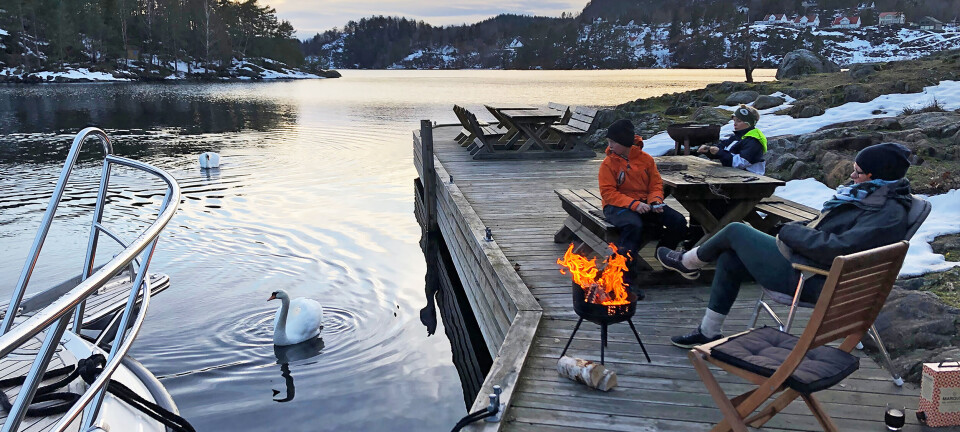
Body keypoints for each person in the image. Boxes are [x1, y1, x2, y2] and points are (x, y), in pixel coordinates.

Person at [657, 142, 914, 348]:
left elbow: (837, 248)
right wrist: (800, 231)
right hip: (809, 266)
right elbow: (832, 235)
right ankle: (708, 332)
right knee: (731, 257)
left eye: (857, 171)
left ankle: (687, 263)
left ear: (874, 175)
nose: (851, 175)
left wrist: (791, 232)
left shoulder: (884, 212)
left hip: (813, 278)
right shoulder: (876, 197)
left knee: (736, 230)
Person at [600, 119, 688, 292]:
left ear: (624, 143)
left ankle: (663, 254)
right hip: (615, 205)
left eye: (612, 142)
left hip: (645, 203)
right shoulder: (608, 163)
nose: (609, 146)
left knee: (678, 221)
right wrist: (633, 204)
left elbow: (656, 185)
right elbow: (608, 193)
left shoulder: (646, 160)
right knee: (633, 226)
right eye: (609, 142)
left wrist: (655, 200)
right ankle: (626, 280)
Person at [698, 104, 767, 175]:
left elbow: (740, 163)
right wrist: (709, 150)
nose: (735, 124)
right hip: (734, 175)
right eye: (734, 121)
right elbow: (722, 148)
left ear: (749, 123)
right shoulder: (736, 137)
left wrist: (719, 152)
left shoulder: (754, 140)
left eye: (739, 121)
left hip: (751, 178)